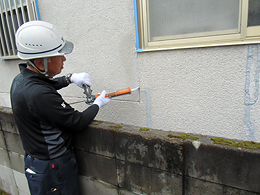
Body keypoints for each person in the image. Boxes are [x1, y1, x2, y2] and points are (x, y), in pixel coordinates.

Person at [10, 20, 111, 195]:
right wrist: (98, 104)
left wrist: (69, 78)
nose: (64, 59)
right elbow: (78, 122)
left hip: (37, 161)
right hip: (53, 167)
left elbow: (45, 85)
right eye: (59, 55)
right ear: (41, 63)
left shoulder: (22, 81)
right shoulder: (39, 95)